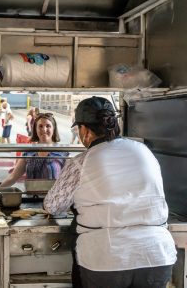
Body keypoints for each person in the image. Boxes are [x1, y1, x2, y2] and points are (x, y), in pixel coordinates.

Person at [44, 97, 176, 288]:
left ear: (86, 131)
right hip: (156, 254)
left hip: (106, 258)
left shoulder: (81, 162)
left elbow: (53, 206)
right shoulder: (144, 151)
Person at [0, 113, 67, 187]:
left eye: (48, 126)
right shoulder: (29, 152)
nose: (44, 129)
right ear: (35, 129)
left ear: (53, 129)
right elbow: (12, 178)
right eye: (40, 126)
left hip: (53, 198)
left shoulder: (63, 153)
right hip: (31, 197)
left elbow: (67, 182)